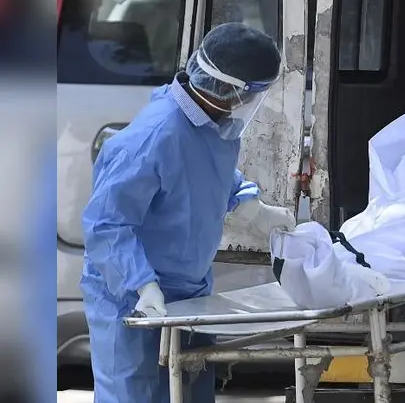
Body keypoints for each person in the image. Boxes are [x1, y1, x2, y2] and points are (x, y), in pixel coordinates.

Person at [79, 22, 297, 402]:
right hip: (133, 299)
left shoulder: (212, 123)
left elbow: (208, 171)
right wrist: (142, 285)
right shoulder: (152, 138)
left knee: (190, 392)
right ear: (232, 89)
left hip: (189, 292)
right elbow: (106, 224)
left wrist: (249, 205)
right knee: (136, 395)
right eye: (254, 93)